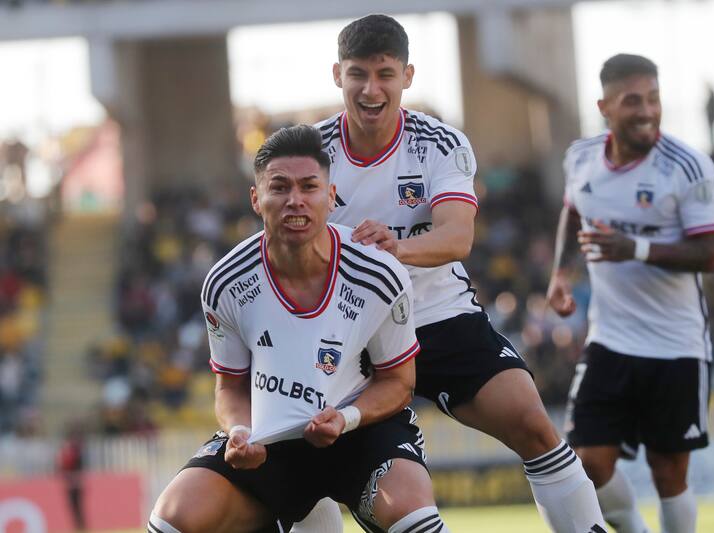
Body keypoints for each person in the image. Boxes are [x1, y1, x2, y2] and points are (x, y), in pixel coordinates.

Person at [304, 14, 605, 533]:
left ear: (407, 75)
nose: (371, 89)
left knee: (532, 423)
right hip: (346, 334)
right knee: (305, 453)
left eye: (384, 73)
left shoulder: (438, 143)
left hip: (435, 315)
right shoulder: (308, 151)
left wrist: (395, 246)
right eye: (358, 74)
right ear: (337, 75)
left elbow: (456, 237)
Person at [149, 125, 451, 533]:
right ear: (256, 198)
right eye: (280, 187)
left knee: (415, 518)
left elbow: (399, 382)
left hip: (360, 431)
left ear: (330, 196)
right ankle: (305, 512)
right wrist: (239, 432)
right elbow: (230, 387)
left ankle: (316, 509)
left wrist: (345, 419)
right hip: (271, 442)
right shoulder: (226, 282)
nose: (295, 201)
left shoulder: (378, 272)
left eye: (309, 187)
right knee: (170, 521)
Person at [546, 54, 714, 533]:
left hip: (677, 344)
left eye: (653, 98)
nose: (646, 110)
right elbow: (573, 210)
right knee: (586, 463)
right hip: (610, 339)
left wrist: (636, 248)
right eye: (632, 101)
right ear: (605, 106)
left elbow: (711, 253)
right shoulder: (581, 157)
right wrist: (561, 273)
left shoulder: (688, 166)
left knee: (669, 472)